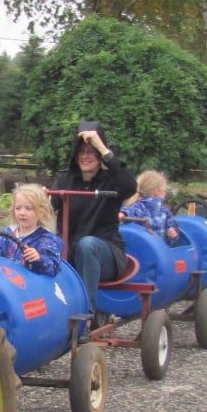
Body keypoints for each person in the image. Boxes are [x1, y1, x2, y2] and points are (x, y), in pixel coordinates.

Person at [50, 121, 137, 325]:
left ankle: (85, 318)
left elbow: (131, 187)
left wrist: (103, 148)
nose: (85, 155)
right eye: (81, 150)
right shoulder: (64, 179)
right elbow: (45, 207)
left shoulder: (112, 180)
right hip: (70, 251)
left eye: (91, 150)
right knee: (45, 246)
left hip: (105, 253)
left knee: (87, 245)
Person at [0, 183, 64, 277]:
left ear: (41, 212)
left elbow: (54, 269)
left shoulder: (46, 239)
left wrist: (39, 259)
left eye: (28, 208)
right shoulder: (6, 235)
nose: (22, 213)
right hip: (6, 286)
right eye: (18, 208)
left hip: (32, 288)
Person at [120, 170, 179, 244]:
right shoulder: (141, 206)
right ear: (157, 192)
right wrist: (123, 214)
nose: (165, 194)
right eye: (165, 191)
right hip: (145, 250)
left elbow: (172, 227)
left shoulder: (165, 212)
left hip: (162, 252)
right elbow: (131, 211)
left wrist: (173, 233)